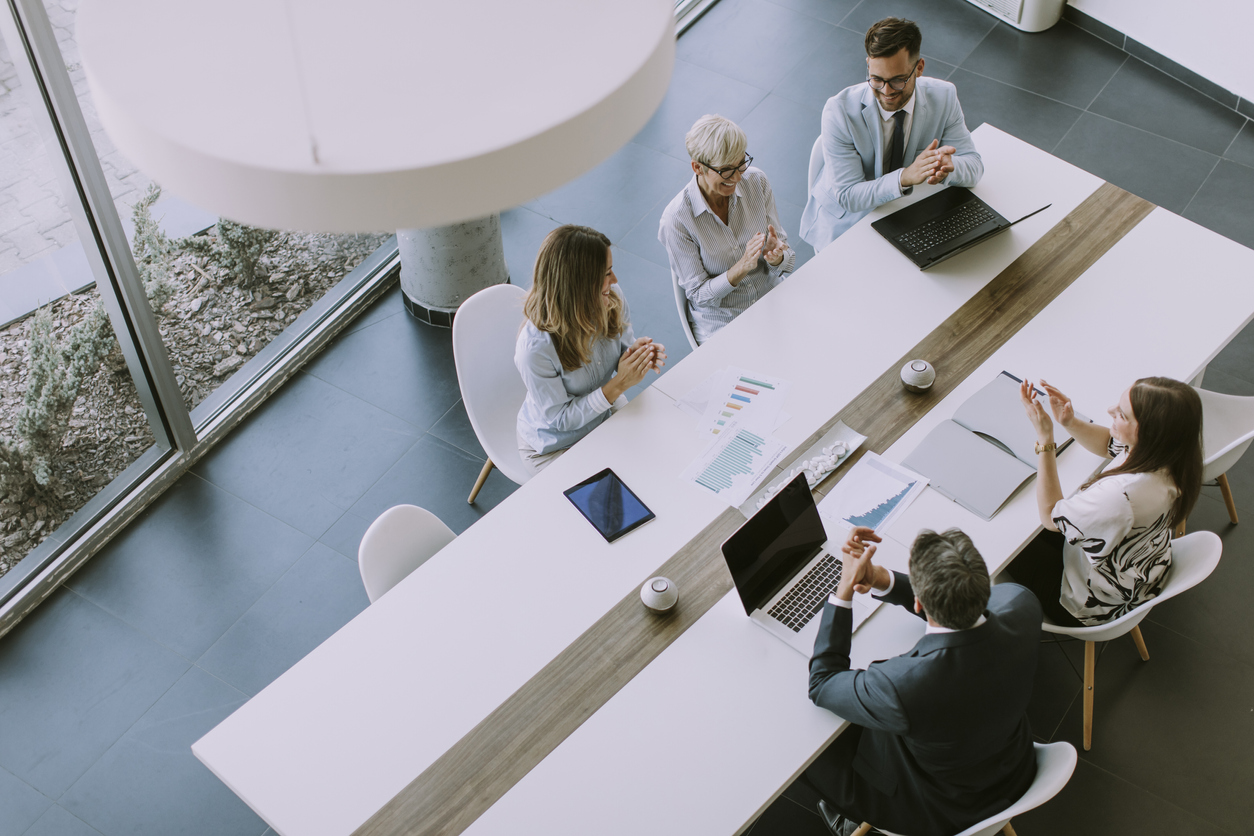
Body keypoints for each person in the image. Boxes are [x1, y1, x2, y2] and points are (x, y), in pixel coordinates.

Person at [804, 526, 1039, 836]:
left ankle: (849, 821)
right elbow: (967, 611)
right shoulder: (1023, 605)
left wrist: (844, 590)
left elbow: (822, 682)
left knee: (811, 755)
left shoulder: (901, 686)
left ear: (918, 603)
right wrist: (880, 578)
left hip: (944, 808)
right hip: (1015, 770)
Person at [1007, 377, 1203, 626]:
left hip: (1089, 603)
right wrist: (1070, 422)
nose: (1110, 410)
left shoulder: (1121, 496)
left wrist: (1046, 441)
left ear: (1147, 431)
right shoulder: (1171, 454)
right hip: (1135, 572)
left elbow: (1049, 516)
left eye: (1121, 414)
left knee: (1004, 542)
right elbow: (1109, 445)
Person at [800, 17, 983, 252]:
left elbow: (975, 167)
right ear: (868, 65)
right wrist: (904, 177)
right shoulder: (839, 111)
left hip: (908, 213)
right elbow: (848, 195)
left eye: (898, 80)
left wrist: (950, 166)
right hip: (848, 222)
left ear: (919, 68)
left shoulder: (944, 97)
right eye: (876, 79)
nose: (886, 92)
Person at [515, 225, 665, 473]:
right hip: (555, 445)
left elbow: (621, 348)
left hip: (602, 416)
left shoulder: (611, 297)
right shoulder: (535, 349)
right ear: (579, 284)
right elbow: (561, 419)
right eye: (606, 273)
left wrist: (635, 355)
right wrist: (619, 384)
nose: (614, 280)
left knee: (654, 460)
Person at [659, 114, 794, 345]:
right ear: (697, 167)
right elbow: (699, 296)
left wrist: (776, 257)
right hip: (724, 322)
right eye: (726, 170)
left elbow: (788, 262)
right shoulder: (677, 220)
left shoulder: (757, 182)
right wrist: (740, 268)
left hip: (771, 299)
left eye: (742, 163)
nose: (738, 176)